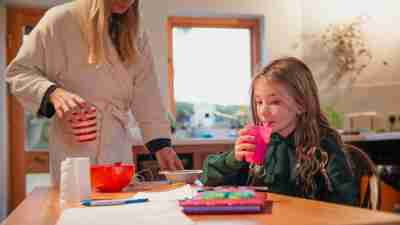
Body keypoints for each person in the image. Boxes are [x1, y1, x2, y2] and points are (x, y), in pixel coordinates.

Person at [6, 0, 183, 186]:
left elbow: (147, 94)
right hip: (73, 147)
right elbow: (18, 73)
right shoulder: (59, 20)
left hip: (117, 148)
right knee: (75, 209)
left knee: (123, 209)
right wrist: (52, 92)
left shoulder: (136, 33)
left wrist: (162, 146)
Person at [201, 57, 357, 205]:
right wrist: (233, 158)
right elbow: (208, 179)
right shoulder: (261, 142)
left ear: (301, 104)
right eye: (259, 102)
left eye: (275, 102)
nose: (263, 111)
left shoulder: (323, 145)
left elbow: (345, 201)